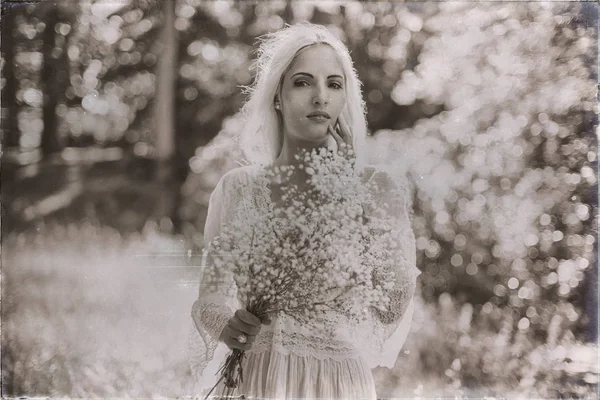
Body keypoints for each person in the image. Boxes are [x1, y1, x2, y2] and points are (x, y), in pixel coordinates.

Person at [189, 22, 421, 399]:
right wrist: (227, 326)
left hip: (336, 382)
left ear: (346, 97)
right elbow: (209, 300)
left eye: (333, 84)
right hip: (256, 379)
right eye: (302, 82)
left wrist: (346, 197)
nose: (320, 97)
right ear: (277, 96)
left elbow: (393, 304)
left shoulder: (375, 190)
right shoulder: (238, 189)